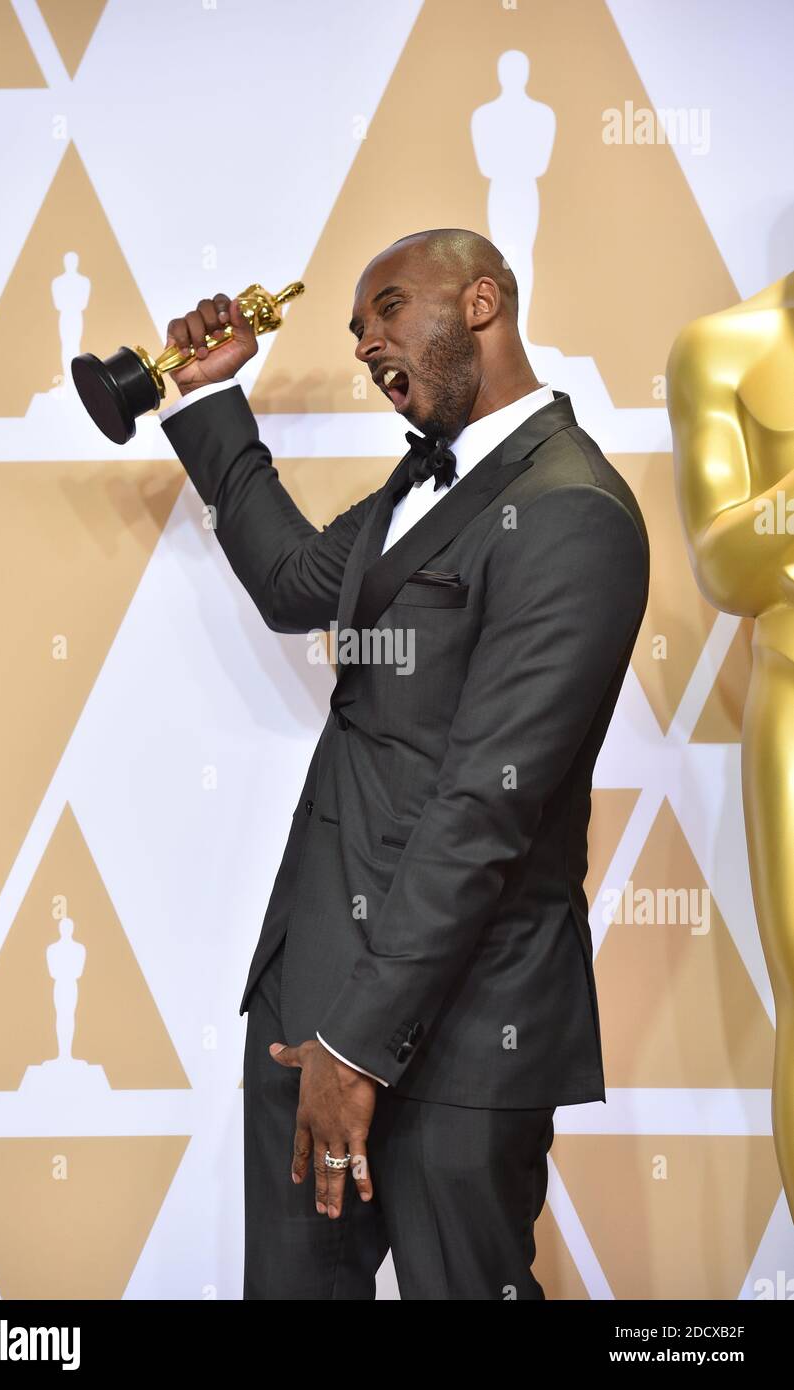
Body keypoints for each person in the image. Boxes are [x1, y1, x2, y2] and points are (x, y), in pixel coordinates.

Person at [159, 228, 650, 1300]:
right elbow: (295, 580)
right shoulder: (417, 487)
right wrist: (207, 398)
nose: (367, 343)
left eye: (388, 309)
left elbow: (484, 808)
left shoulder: (573, 510)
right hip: (309, 1016)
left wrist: (359, 1047)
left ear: (482, 301)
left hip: (464, 1039)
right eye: (356, 330)